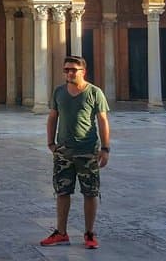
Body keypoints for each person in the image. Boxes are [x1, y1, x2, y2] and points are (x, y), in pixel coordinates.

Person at [40, 55, 110, 250]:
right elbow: (53, 117)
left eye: (73, 70)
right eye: (66, 70)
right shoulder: (59, 92)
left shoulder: (94, 93)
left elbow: (102, 121)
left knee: (90, 192)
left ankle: (89, 233)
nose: (69, 73)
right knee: (62, 191)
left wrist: (105, 148)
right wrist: (50, 143)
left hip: (87, 151)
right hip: (64, 152)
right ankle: (61, 233)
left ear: (83, 71)